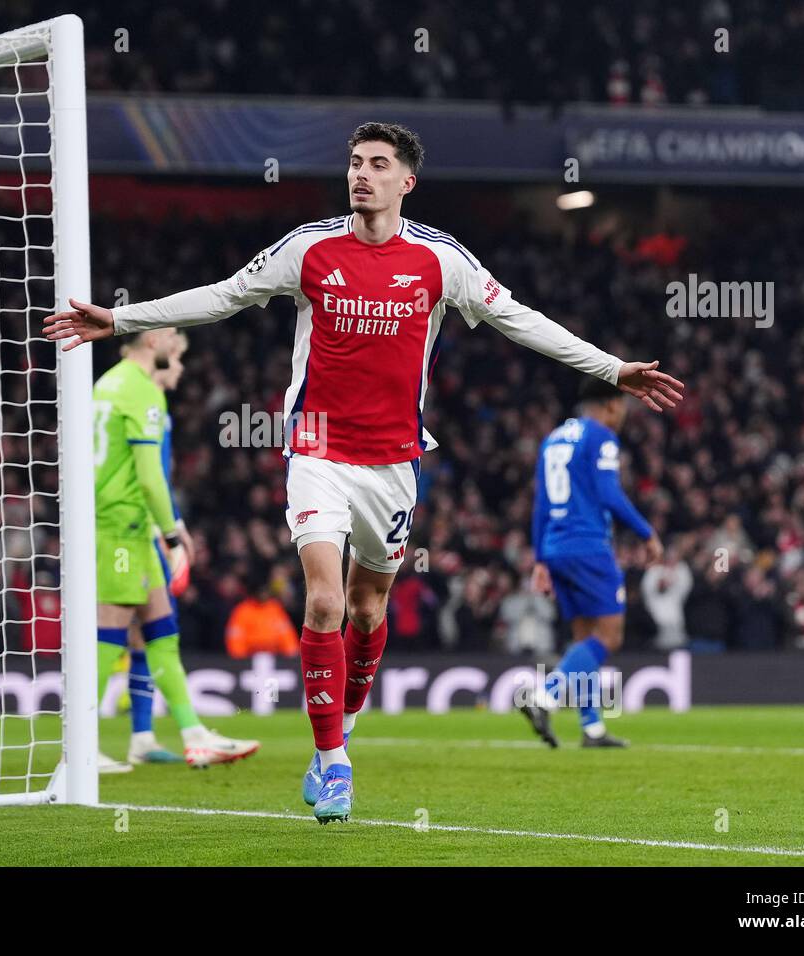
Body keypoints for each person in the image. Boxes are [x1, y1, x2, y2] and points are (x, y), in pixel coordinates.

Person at [44, 121, 683, 822]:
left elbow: (522, 321)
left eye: (378, 165)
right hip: (317, 451)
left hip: (394, 462)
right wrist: (122, 318)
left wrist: (610, 368)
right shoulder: (309, 248)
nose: (361, 174)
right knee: (323, 602)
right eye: (354, 163)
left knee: (368, 607)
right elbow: (226, 294)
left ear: (406, 182)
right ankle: (332, 760)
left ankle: (344, 718)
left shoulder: (442, 262)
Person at [91, 328, 258, 771]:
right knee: (110, 629)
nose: (177, 351)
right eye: (171, 339)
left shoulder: (105, 384)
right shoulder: (139, 390)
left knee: (160, 628)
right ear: (150, 343)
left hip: (128, 525)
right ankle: (80, 743)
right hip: (121, 524)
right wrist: (171, 531)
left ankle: (191, 732)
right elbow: (149, 477)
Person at [523, 377, 662, 748]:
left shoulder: (552, 439)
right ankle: (544, 696)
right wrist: (647, 532)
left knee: (584, 637)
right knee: (609, 634)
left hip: (554, 546)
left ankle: (592, 728)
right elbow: (608, 493)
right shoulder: (600, 436)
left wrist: (539, 558)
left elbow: (540, 504)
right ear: (612, 405)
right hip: (587, 545)